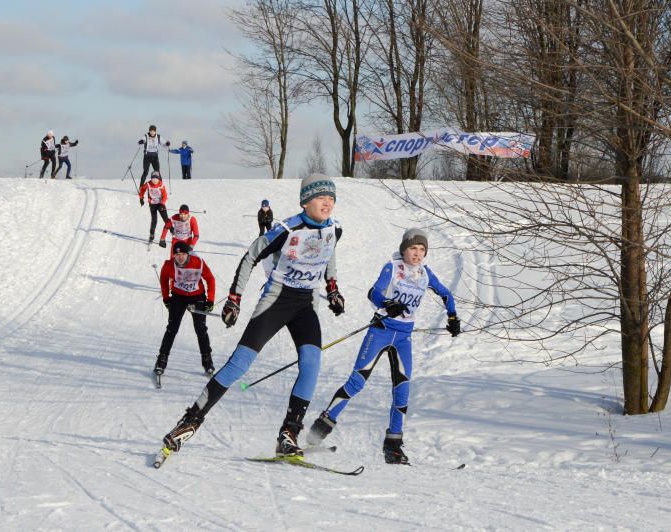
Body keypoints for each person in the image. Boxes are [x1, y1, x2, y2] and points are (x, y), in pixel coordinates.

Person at [160, 173, 346, 458]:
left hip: (306, 305)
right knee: (240, 364)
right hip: (277, 301)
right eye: (321, 197)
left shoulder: (335, 228)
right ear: (305, 201)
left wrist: (332, 288)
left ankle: (289, 433)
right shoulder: (286, 229)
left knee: (312, 363)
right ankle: (189, 422)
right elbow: (251, 255)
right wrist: (234, 298)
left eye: (331, 198)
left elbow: (328, 251)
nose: (328, 203)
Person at [305, 228, 461, 465]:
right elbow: (374, 292)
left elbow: (446, 294)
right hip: (381, 332)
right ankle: (318, 432)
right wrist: (387, 303)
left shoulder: (425, 273)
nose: (417, 254)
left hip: (403, 338)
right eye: (413, 248)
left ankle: (393, 447)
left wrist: (452, 318)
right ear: (404, 249)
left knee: (402, 391)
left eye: (421, 249)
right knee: (357, 382)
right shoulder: (393, 267)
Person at [155, 241, 216, 378]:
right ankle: (161, 360)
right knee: (172, 328)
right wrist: (166, 298)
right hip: (179, 297)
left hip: (197, 296)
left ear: (187, 254)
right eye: (177, 254)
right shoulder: (169, 265)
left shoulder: (198, 262)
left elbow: (210, 279)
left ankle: (207, 361)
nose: (180, 257)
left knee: (200, 329)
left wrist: (210, 300)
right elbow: (164, 279)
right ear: (174, 255)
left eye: (182, 254)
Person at [138, 171, 169, 243]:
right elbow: (142, 189)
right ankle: (152, 234)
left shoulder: (161, 185)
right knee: (154, 220)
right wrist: (141, 198)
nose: (154, 180)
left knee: (166, 219)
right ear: (151, 179)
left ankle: (172, 231)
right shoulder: (148, 184)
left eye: (156, 179)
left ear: (158, 179)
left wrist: (162, 203)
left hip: (160, 204)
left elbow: (165, 196)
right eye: (153, 178)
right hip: (152, 205)